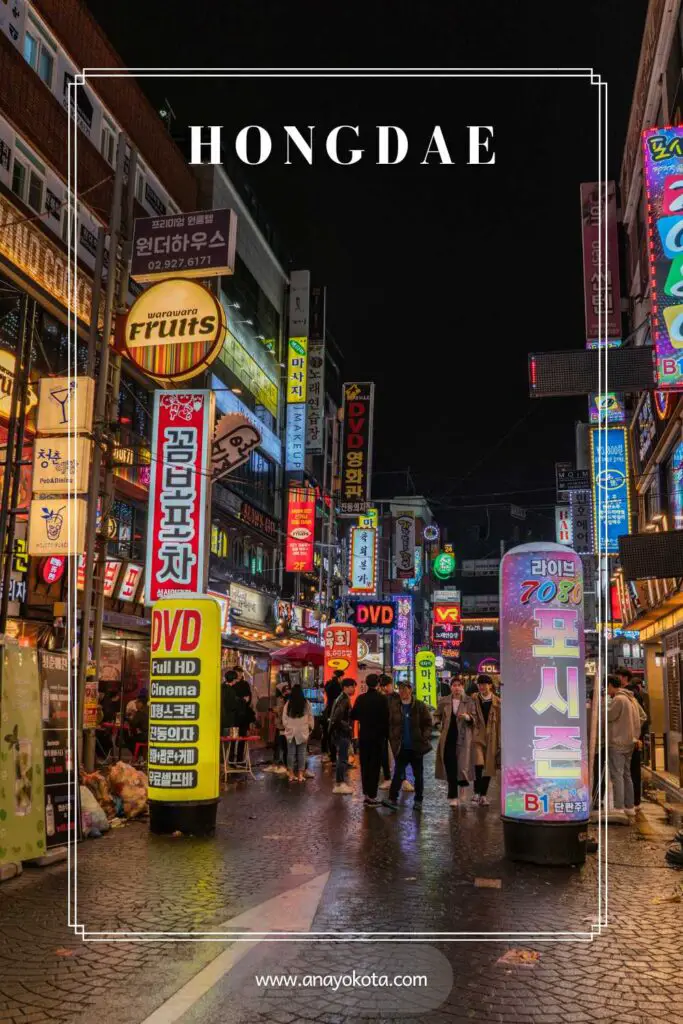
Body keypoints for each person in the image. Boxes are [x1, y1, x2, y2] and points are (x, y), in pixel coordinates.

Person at [382, 681, 433, 812]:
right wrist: (392, 737)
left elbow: (428, 723)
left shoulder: (420, 705)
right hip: (401, 747)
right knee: (398, 773)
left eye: (405, 689)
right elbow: (389, 723)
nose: (402, 692)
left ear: (410, 690)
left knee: (418, 775)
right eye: (400, 689)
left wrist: (424, 736)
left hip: (416, 746)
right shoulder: (394, 706)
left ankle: (418, 800)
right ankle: (392, 798)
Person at [350, 673, 390, 806]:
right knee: (375, 766)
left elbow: (353, 714)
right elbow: (386, 717)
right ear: (378, 683)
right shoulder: (382, 699)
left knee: (365, 765)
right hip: (378, 737)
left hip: (364, 736)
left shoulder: (361, 698)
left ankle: (366, 794)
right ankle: (372, 796)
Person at [435, 677, 474, 806]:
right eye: (454, 685)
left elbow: (475, 718)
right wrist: (438, 726)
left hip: (463, 738)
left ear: (463, 687)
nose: (457, 688)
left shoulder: (469, 701)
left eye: (459, 685)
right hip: (448, 737)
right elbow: (436, 715)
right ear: (451, 687)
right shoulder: (444, 701)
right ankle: (453, 796)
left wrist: (468, 717)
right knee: (450, 766)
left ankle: (462, 787)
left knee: (462, 766)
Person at [607, 674, 642, 820]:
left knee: (618, 775)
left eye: (607, 687)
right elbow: (643, 716)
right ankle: (630, 807)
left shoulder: (619, 699)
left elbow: (608, 716)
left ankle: (619, 807)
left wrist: (604, 706)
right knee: (627, 775)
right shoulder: (631, 698)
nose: (607, 690)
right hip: (629, 742)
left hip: (618, 742)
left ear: (610, 685)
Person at [470, 674, 501, 806]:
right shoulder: (473, 698)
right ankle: (476, 792)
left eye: (484, 684)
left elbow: (500, 722)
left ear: (490, 685)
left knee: (488, 766)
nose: (482, 687)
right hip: (477, 736)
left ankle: (483, 795)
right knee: (479, 764)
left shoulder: (498, 702)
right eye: (480, 684)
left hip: (492, 737)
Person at [620, 669, 649, 812]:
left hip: (632, 740)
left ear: (624, 678)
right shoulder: (632, 694)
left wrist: (635, 735)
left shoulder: (630, 695)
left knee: (631, 771)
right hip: (633, 739)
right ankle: (633, 802)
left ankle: (633, 802)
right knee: (631, 771)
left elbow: (642, 717)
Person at [282, 683, 314, 783]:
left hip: (291, 731)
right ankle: (300, 774)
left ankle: (291, 774)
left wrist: (287, 727)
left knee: (290, 753)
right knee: (302, 753)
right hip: (303, 731)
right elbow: (310, 717)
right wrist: (310, 728)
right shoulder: (306, 703)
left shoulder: (288, 704)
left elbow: (284, 718)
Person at [329, 678, 357, 794]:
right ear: (346, 687)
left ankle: (340, 783)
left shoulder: (341, 698)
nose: (354, 689)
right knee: (343, 759)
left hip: (339, 733)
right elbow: (337, 718)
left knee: (342, 757)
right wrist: (348, 727)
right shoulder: (344, 700)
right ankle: (340, 783)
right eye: (352, 686)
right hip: (342, 733)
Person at [231, 667, 255, 765]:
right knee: (233, 738)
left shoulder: (245, 684)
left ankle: (240, 759)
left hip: (244, 716)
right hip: (234, 716)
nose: (239, 674)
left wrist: (243, 701)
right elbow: (233, 700)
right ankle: (231, 759)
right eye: (237, 673)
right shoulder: (231, 684)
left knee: (243, 738)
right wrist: (242, 700)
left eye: (240, 673)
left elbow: (249, 698)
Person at [322, 669, 344, 765]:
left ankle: (328, 754)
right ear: (339, 677)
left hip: (328, 710)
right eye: (342, 677)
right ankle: (334, 758)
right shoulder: (339, 687)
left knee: (328, 733)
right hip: (335, 711)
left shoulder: (328, 684)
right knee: (335, 734)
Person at [378, 674, 395, 790]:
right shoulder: (383, 697)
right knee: (385, 753)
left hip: (392, 730)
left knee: (396, 753)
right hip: (386, 730)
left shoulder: (394, 697)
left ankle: (401, 779)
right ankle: (388, 777)